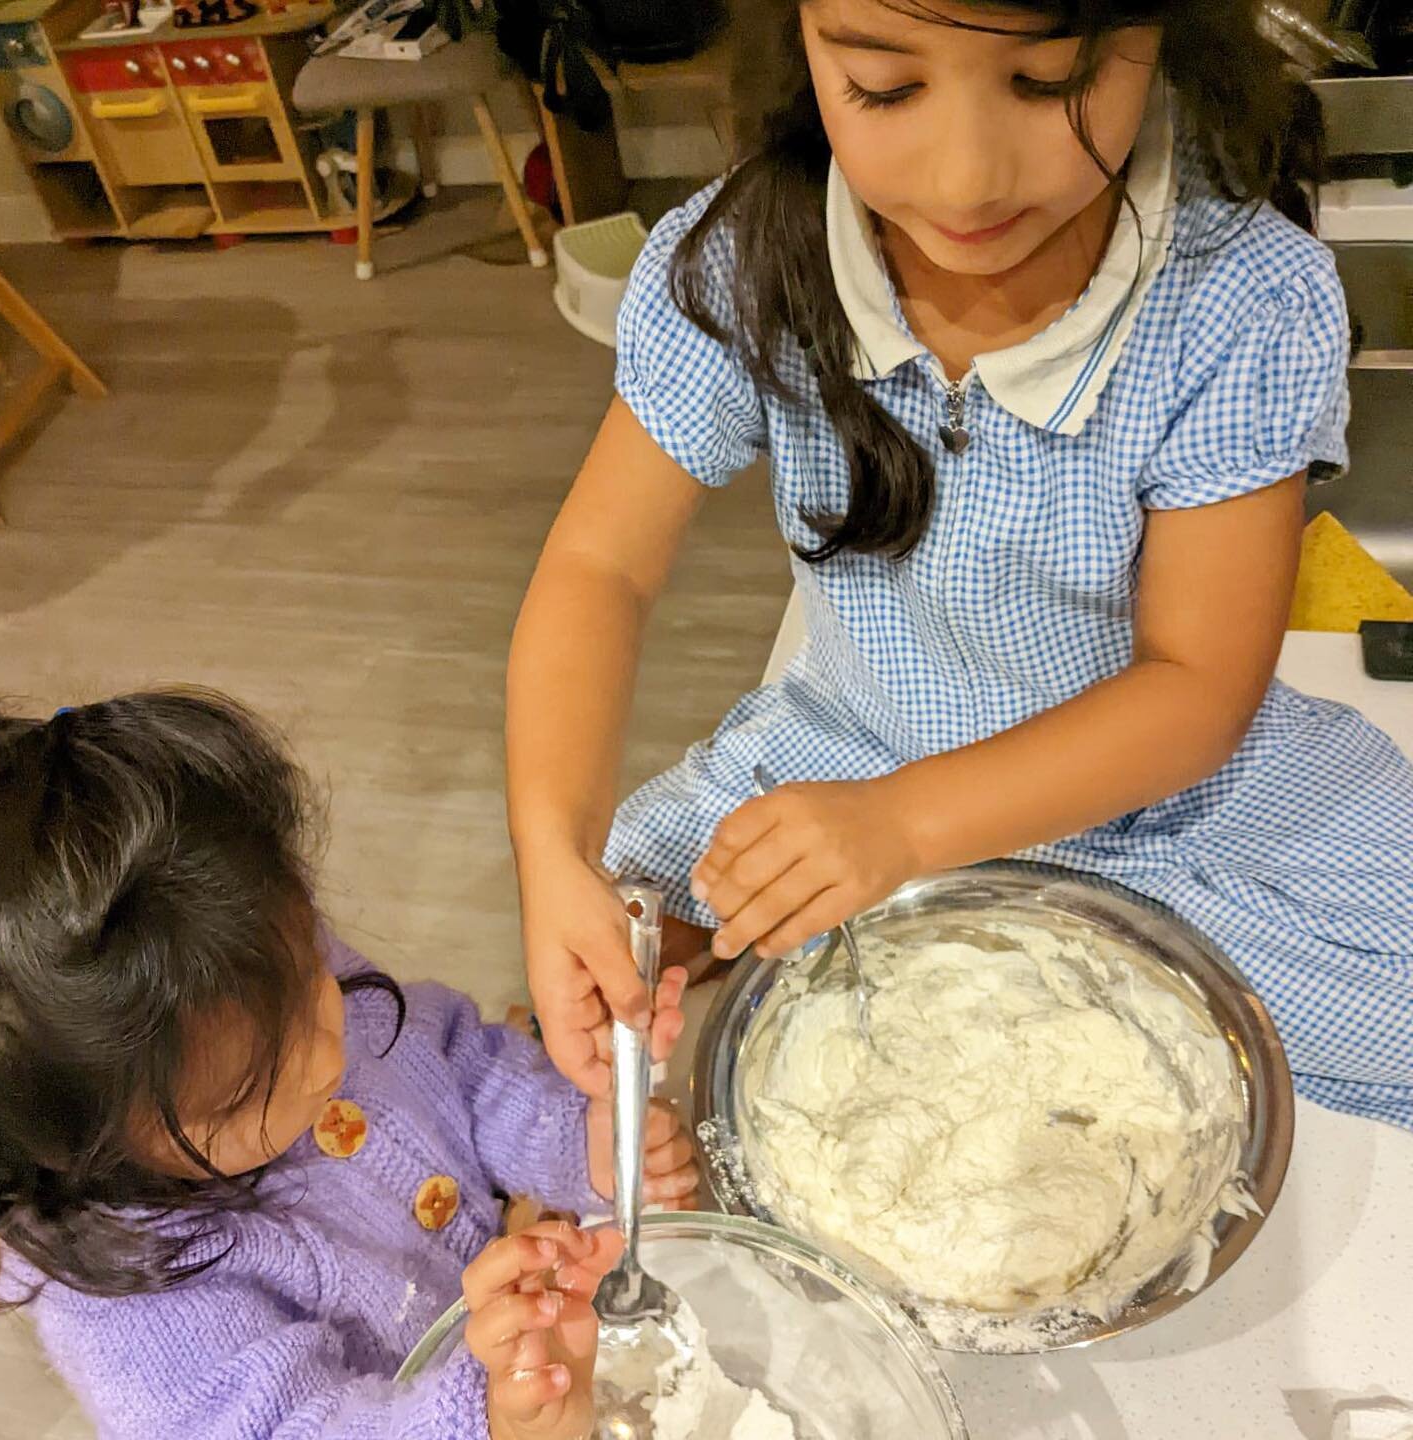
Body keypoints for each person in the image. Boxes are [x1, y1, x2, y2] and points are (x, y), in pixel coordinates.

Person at [506, 0, 1413, 1128]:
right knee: (603, 982)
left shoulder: (1239, 296)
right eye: (885, 89)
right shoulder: (743, 257)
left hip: (1159, 794)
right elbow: (601, 567)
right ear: (802, 43)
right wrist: (555, 857)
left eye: (1048, 83)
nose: (970, 180)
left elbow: (1196, 683)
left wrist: (907, 829)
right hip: (852, 746)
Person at [0, 692, 696, 1439]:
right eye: (245, 1092)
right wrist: (478, 1418)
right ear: (83, 1154)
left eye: (313, 972)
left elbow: (453, 1063)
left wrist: (572, 1138)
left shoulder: (249, 974)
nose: (327, 1051)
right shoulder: (128, 1315)